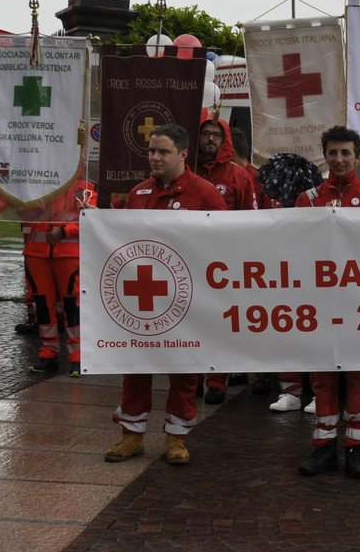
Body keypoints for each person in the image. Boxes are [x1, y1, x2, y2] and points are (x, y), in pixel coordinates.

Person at [103, 124, 227, 467]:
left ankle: (176, 439)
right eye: (152, 151)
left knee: (184, 369)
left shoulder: (205, 195)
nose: (155, 158)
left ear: (183, 155)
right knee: (136, 366)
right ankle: (131, 436)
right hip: (143, 300)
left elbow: (222, 246)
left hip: (187, 302)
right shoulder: (139, 194)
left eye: (163, 152)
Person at [295, 126, 360, 479]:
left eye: (346, 153)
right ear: (325, 156)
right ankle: (324, 449)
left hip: (359, 306)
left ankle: (357, 450)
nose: (339, 159)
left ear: (357, 157)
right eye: (333, 152)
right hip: (320, 305)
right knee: (322, 380)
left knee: (357, 377)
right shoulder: (307, 199)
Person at [194, 114, 258, 404]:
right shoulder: (187, 170)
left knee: (222, 321)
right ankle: (191, 376)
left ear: (225, 140)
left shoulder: (237, 175)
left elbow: (249, 218)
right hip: (192, 260)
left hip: (224, 263)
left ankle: (217, 380)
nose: (210, 139)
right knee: (194, 319)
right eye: (205, 133)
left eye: (215, 135)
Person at [22, 171, 97, 377]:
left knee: (73, 306)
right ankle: (48, 353)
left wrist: (64, 232)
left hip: (68, 253)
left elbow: (88, 217)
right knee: (43, 305)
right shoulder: (36, 181)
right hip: (37, 253)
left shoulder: (86, 186)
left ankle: (78, 356)